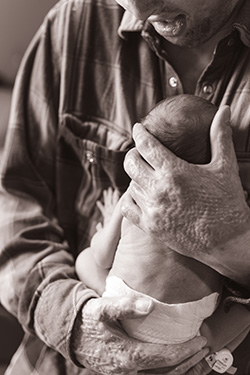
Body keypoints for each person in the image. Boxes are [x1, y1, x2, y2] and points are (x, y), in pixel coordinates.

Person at [0, 0, 250, 374]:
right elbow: (13, 203)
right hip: (57, 360)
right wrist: (73, 320)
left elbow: (96, 258)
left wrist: (237, 246)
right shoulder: (77, 22)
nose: (138, 7)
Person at [76, 94, 222, 345]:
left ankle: (104, 295)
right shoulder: (224, 204)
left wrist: (111, 215)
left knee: (86, 260)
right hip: (190, 319)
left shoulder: (134, 197)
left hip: (129, 309)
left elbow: (102, 256)